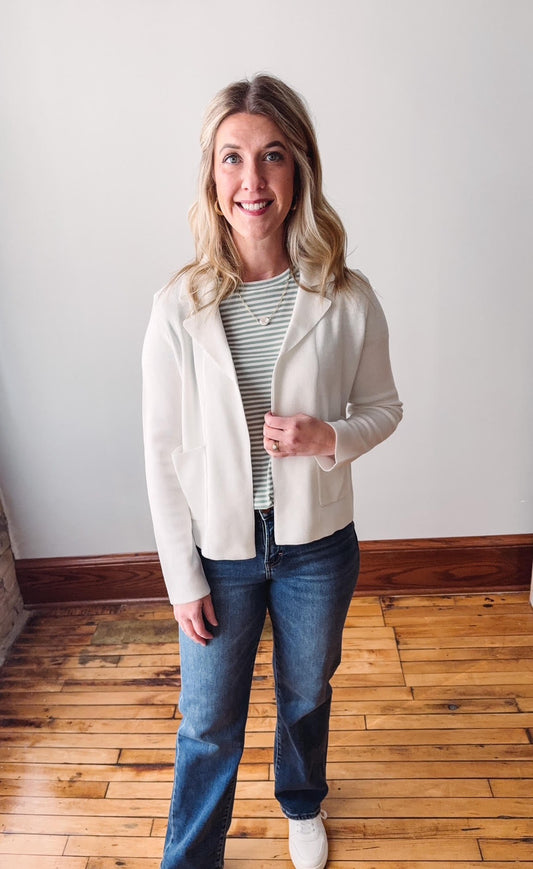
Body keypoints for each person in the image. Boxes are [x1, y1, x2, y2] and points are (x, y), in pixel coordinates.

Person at [142, 73, 402, 869]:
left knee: (306, 691)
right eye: (231, 159)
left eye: (271, 158)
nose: (250, 181)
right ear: (211, 177)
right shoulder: (178, 305)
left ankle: (300, 801)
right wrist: (181, 575)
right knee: (207, 718)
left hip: (317, 546)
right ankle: (191, 858)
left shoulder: (346, 296)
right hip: (218, 552)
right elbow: (159, 448)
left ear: (298, 174)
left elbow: (384, 408)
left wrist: (328, 434)